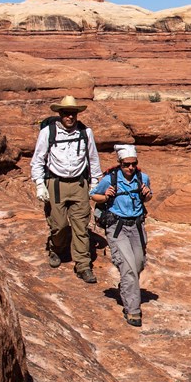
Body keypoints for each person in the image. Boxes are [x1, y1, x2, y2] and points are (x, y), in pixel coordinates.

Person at [31, 95, 102, 283]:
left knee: (81, 227)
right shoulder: (48, 132)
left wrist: (95, 184)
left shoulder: (86, 133)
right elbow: (38, 160)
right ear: (59, 114)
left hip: (79, 184)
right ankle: (56, 249)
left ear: (77, 114)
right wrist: (39, 184)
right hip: (56, 184)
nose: (69, 117)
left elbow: (93, 159)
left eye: (72, 113)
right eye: (65, 113)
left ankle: (83, 265)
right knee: (59, 225)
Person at [90, 145, 152, 327]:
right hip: (117, 227)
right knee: (129, 268)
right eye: (126, 165)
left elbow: (147, 198)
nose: (130, 168)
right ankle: (133, 310)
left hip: (137, 227)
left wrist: (147, 195)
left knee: (139, 263)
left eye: (134, 164)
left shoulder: (143, 178)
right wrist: (106, 196)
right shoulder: (110, 179)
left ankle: (125, 288)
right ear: (120, 163)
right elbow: (94, 196)